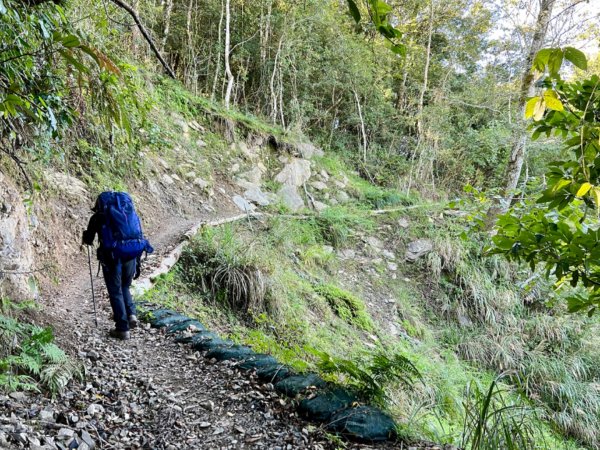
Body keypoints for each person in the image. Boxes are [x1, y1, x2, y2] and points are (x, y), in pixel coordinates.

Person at [82, 192, 151, 340]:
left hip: (112, 256)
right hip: (131, 253)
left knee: (115, 291)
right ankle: (131, 314)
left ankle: (122, 328)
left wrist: (87, 236)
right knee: (125, 286)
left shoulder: (99, 216)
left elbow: (88, 239)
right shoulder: (128, 212)